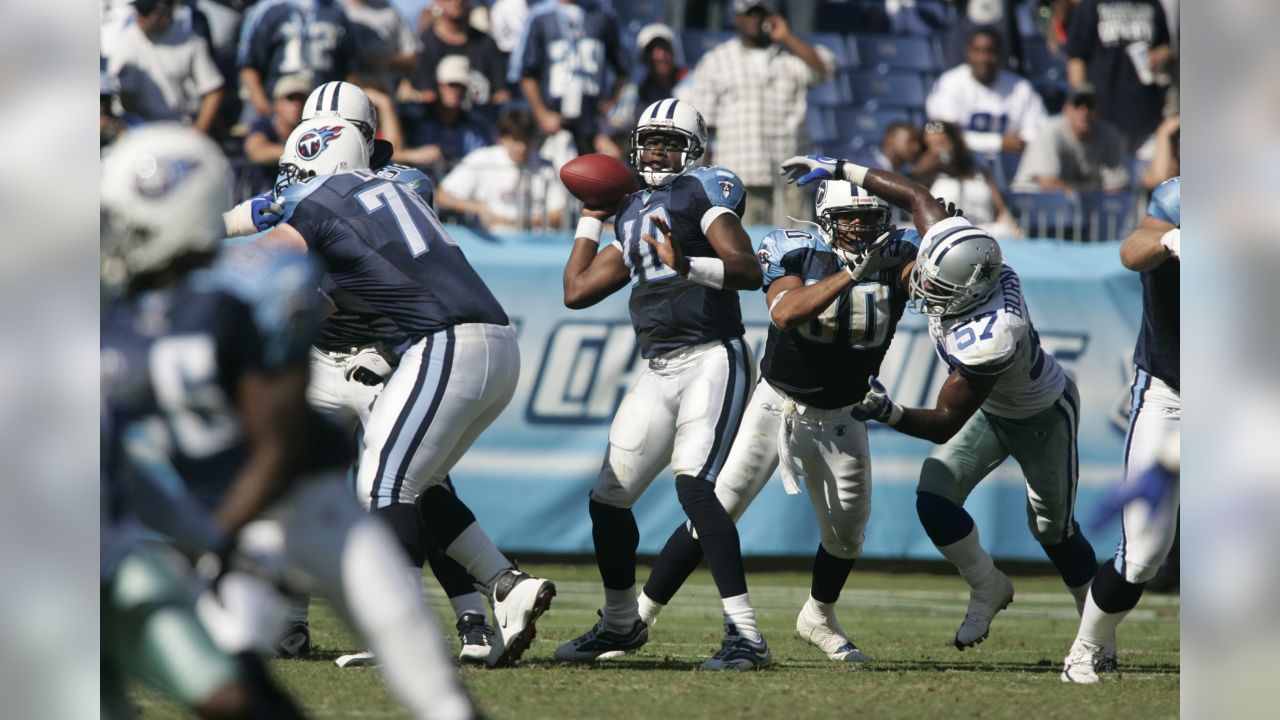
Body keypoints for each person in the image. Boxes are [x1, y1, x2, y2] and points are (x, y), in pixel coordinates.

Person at [100, 124, 478, 720]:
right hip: (243, 531)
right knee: (235, 688)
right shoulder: (114, 322)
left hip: (313, 510)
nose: (114, 238)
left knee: (438, 698)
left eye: (128, 223)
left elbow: (279, 445)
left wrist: (211, 541)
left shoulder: (254, 290)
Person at [256, 116, 557, 668]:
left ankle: (405, 627)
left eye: (302, 175)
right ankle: (504, 583)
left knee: (387, 482)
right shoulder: (391, 192)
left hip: (437, 344)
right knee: (411, 485)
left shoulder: (328, 202)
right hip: (482, 342)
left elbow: (269, 262)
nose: (295, 189)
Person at [779, 152, 1103, 656]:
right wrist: (842, 167)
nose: (921, 285)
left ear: (969, 290)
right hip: (994, 409)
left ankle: (1096, 634)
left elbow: (945, 423)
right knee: (933, 498)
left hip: (1038, 413)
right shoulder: (955, 252)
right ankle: (987, 585)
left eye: (935, 284)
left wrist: (888, 412)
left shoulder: (992, 334)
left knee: (1052, 531)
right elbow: (915, 196)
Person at [636, 180, 921, 664]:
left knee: (847, 536)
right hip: (777, 404)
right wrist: (853, 274)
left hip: (843, 415)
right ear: (827, 216)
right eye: (849, 216)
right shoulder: (793, 248)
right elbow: (786, 312)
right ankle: (638, 616)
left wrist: (943, 239)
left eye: (869, 217)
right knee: (715, 512)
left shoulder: (898, 252)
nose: (860, 226)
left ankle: (818, 616)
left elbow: (927, 278)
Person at [557, 98, 769, 670]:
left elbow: (748, 271)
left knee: (696, 491)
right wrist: (591, 214)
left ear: (693, 149)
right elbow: (576, 291)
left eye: (670, 141)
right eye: (650, 140)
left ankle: (746, 637)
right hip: (658, 368)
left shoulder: (703, 190)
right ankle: (621, 624)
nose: (657, 151)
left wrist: (686, 267)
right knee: (608, 501)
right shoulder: (629, 211)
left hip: (712, 357)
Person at [1060, 176, 1178, 683]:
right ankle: (1086, 648)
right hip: (1173, 395)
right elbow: (1133, 250)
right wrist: (1174, 239)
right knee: (1144, 555)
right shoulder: (1179, 198)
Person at [681, 0, 835, 226]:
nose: (756, 19)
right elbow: (705, 126)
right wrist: (705, 178)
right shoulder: (716, 60)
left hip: (790, 174)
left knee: (798, 249)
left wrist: (787, 37)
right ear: (736, 18)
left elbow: (825, 69)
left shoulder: (790, 57)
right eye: (750, 13)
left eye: (761, 13)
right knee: (749, 249)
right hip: (740, 173)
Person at [508, 0, 631, 156]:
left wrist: (612, 102)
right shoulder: (540, 16)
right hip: (554, 120)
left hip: (592, 124)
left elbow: (624, 66)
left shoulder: (603, 15)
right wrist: (541, 113)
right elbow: (525, 72)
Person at [1066, 0, 1173, 153]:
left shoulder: (1152, 4)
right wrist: (1080, 102)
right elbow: (1076, 57)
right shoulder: (1091, 5)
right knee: (1114, 174)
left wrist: (1158, 55)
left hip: (1147, 112)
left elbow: (1165, 45)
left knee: (1151, 175)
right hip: (1104, 115)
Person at [436, 107, 567, 231]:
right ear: (502, 139)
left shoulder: (545, 167)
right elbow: (442, 196)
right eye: (516, 140)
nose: (522, 148)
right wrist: (479, 209)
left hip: (534, 243)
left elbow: (559, 214)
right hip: (491, 243)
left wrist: (518, 223)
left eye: (526, 141)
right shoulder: (482, 159)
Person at [106, 0, 224, 132]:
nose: (138, 16)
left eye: (145, 12)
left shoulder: (191, 43)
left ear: (165, 15)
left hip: (181, 127)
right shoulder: (126, 41)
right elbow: (125, 97)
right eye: (138, 10)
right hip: (138, 127)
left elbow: (213, 89)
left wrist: (199, 131)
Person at [926, 27, 1048, 155]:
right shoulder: (949, 82)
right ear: (967, 52)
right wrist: (998, 142)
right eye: (977, 51)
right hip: (962, 162)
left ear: (1000, 54)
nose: (983, 58)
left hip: (1013, 160)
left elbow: (1040, 129)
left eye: (990, 52)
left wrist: (1021, 139)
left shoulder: (1020, 87)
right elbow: (938, 131)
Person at [237, 0, 358, 120]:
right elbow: (249, 63)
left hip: (324, 108)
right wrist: (262, 103)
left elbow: (349, 65)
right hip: (278, 102)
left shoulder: (336, 9)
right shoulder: (268, 9)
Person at [1011, 85, 1129, 193]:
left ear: (1098, 110)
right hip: (1029, 206)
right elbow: (1047, 184)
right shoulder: (1050, 131)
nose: (1084, 111)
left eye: (1090, 105)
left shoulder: (1108, 135)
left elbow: (1116, 187)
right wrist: (1086, 200)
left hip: (1075, 205)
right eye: (1078, 104)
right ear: (1066, 109)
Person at [913, 121, 1021, 239]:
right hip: (943, 236)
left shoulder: (981, 172)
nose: (936, 150)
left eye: (942, 142)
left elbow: (1001, 211)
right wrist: (919, 174)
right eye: (929, 145)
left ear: (954, 142)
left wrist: (1015, 231)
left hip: (981, 233)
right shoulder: (924, 176)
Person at [397, 55, 496, 173]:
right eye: (451, 84)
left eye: (461, 86)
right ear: (439, 85)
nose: (456, 91)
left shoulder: (477, 127)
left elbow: (488, 160)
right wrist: (413, 155)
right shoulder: (414, 119)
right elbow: (390, 154)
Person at [410, 0, 511, 111]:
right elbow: (425, 95)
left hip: (482, 122)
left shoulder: (486, 43)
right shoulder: (423, 46)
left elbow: (502, 92)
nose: (457, 1)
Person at [243, 72, 310, 192]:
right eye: (290, 98)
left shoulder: (309, 130)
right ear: (276, 103)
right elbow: (255, 151)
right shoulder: (264, 125)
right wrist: (299, 154)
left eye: (301, 99)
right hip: (260, 198)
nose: (297, 105)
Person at [340, 0, 421, 96]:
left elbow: (412, 58)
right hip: (346, 97)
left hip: (385, 94)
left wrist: (384, 61)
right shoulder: (335, 10)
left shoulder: (389, 11)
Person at [852, 121, 922, 176]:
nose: (917, 147)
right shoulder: (867, 172)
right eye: (910, 141)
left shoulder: (905, 173)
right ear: (889, 140)